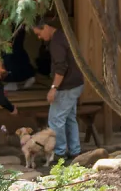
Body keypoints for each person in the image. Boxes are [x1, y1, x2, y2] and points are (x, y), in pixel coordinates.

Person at [32, 17, 84, 161]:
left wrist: (53, 88)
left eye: (39, 33)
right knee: (69, 119)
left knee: (55, 120)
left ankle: (59, 153)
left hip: (67, 86)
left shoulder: (56, 42)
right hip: (76, 83)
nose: (39, 37)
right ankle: (75, 151)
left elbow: (61, 67)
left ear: (46, 27)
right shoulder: (62, 35)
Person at [1, 25, 36, 91]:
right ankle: (29, 75)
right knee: (16, 49)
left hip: (13, 27)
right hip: (16, 27)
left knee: (10, 52)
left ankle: (12, 82)